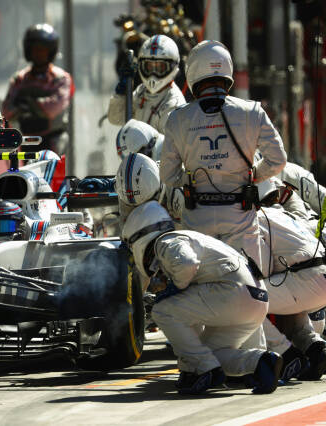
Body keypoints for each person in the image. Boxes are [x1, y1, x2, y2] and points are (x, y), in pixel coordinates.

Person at [122, 201, 281, 395]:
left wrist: (174, 287)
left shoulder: (165, 241)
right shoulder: (194, 238)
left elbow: (187, 263)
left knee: (163, 311)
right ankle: (261, 362)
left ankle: (203, 372)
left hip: (232, 295)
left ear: (138, 236)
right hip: (256, 300)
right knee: (210, 353)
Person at [159, 40, 287, 270]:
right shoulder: (252, 112)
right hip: (241, 219)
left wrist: (192, 179)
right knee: (250, 289)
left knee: (200, 290)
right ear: (228, 72)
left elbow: (168, 176)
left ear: (192, 73)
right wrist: (252, 175)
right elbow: (278, 161)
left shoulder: (177, 119)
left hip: (197, 219)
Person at [254, 181, 326, 381]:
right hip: (317, 275)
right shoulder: (287, 215)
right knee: (288, 297)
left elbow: (264, 267)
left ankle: (286, 354)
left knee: (249, 298)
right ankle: (315, 348)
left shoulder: (258, 217)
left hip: (306, 279)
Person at [2, 23, 74, 155]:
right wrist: (36, 105)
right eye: (35, 49)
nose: (38, 53)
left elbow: (54, 108)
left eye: (43, 49)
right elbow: (6, 111)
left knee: (53, 173)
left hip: (53, 140)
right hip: (27, 140)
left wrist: (27, 104)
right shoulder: (20, 79)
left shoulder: (61, 78)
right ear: (28, 50)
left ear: (51, 51)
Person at [107, 35, 186, 134]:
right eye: (149, 67)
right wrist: (121, 95)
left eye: (159, 68)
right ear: (141, 66)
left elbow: (169, 147)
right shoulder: (142, 90)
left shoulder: (174, 104)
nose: (153, 75)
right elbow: (116, 118)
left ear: (173, 66)